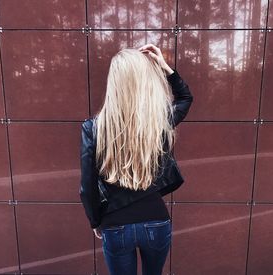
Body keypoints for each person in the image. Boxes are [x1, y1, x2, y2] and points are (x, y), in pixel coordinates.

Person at [79, 44, 193, 275]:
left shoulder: (94, 128)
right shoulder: (157, 122)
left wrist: (94, 221)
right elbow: (185, 98)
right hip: (156, 221)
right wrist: (164, 67)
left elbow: (87, 185)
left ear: (114, 84)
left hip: (115, 224)